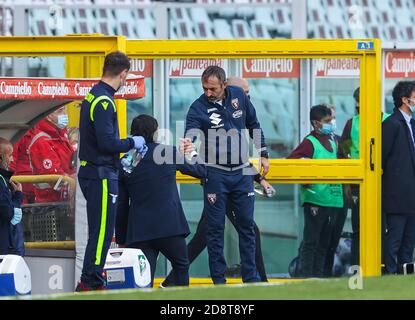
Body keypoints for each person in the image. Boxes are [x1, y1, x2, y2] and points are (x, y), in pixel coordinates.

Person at [162, 76, 273, 286]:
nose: (208, 93)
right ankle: (219, 282)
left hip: (241, 175)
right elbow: (191, 133)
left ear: (224, 86)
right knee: (214, 232)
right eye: (204, 88)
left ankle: (253, 281)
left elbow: (253, 124)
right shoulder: (198, 107)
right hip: (216, 175)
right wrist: (189, 143)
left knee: (248, 228)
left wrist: (263, 153)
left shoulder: (238, 96)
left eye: (212, 88)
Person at [76, 51, 147, 291]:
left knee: (98, 231)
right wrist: (132, 142)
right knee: (103, 233)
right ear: (124, 73)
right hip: (101, 175)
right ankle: (91, 283)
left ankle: (89, 279)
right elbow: (107, 143)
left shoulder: (93, 96)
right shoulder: (105, 101)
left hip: (94, 172)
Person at [115, 115, 206, 287]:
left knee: (144, 278)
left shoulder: (125, 162)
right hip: (170, 227)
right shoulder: (166, 152)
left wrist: (122, 237)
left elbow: (122, 204)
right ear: (155, 133)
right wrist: (192, 151)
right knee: (181, 266)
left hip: (140, 231)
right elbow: (201, 171)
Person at [288, 104, 343, 278]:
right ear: (315, 123)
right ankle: (305, 278)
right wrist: (306, 181)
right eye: (327, 121)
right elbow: (290, 162)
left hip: (333, 198)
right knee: (311, 242)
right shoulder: (309, 142)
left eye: (332, 120)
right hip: (315, 200)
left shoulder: (335, 141)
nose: (331, 123)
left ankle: (319, 278)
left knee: (325, 243)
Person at [339, 87, 390, 267]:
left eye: (361, 100)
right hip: (358, 185)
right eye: (357, 101)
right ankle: (357, 268)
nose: (359, 105)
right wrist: (347, 184)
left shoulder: (388, 122)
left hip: (383, 184)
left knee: (382, 228)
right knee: (359, 229)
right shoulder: (351, 124)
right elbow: (343, 152)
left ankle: (382, 266)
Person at [382, 81, 415, 274]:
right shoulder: (391, 124)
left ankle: (406, 275)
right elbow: (383, 159)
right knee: (395, 238)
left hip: (411, 194)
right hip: (397, 194)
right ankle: (390, 275)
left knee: (409, 241)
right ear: (404, 99)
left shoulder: (411, 123)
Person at [26, 107, 76, 203]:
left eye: (65, 110)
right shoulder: (42, 141)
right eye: (60, 111)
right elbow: (54, 176)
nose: (65, 114)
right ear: (48, 116)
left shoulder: (60, 136)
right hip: (50, 203)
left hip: (64, 200)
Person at [0, 138, 23, 256]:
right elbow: (8, 213)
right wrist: (18, 196)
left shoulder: (4, 180)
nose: (12, 159)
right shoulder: (1, 181)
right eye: (10, 155)